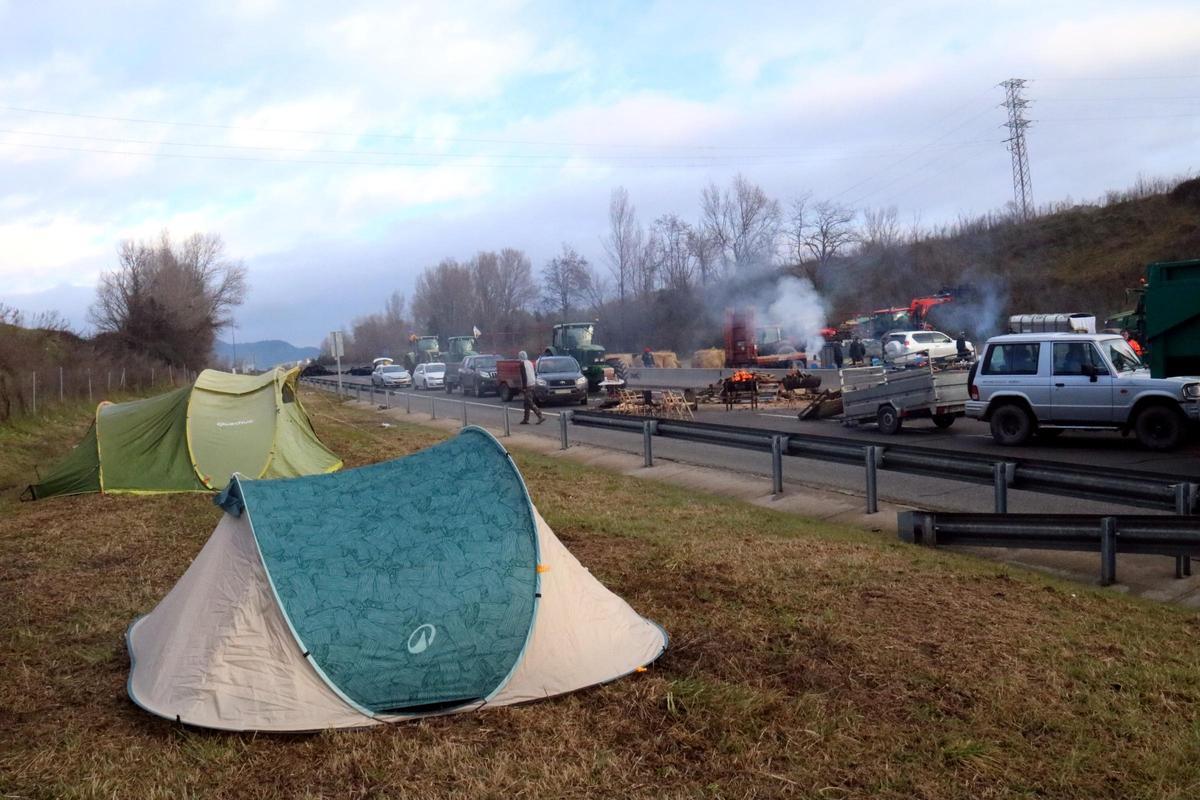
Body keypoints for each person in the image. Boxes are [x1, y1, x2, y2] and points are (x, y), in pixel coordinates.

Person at [517, 350, 544, 425]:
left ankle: (540, 416)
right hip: (533, 383)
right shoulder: (530, 363)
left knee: (529, 402)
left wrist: (524, 387)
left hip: (528, 385)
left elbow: (524, 376)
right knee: (526, 403)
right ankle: (526, 419)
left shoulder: (522, 364)